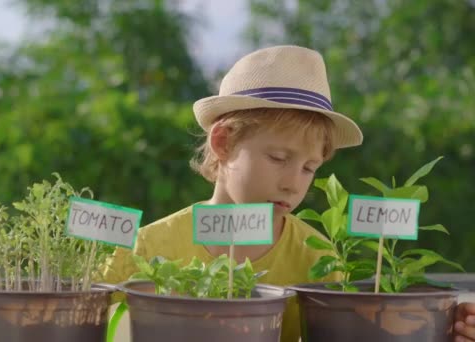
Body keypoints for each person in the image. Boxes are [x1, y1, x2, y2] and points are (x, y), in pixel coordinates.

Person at [101, 45, 475, 342]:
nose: (293, 182)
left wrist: (442, 330)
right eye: (278, 157)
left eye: (310, 168)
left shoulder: (318, 257)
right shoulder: (147, 248)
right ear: (223, 142)